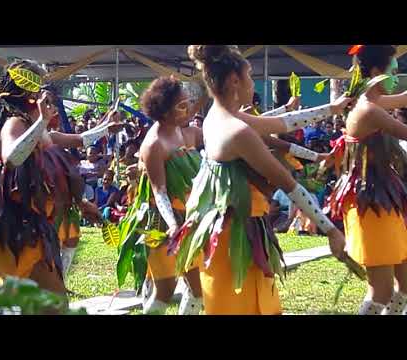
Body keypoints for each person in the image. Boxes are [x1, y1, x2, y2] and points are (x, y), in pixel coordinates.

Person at [170, 45, 350, 315]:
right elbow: (289, 185)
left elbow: (280, 122)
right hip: (234, 241)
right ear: (234, 80)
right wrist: (332, 231)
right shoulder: (237, 131)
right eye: (250, 74)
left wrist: (331, 108)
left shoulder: (215, 118)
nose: (252, 82)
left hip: (225, 233)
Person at [0, 60, 122, 303]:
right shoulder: (15, 123)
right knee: (51, 304)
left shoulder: (36, 128)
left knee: (44, 304)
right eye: (39, 87)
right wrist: (42, 120)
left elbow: (79, 139)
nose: (44, 94)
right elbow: (12, 157)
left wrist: (106, 128)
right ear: (28, 93)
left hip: (33, 225)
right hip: (16, 228)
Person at [326, 45, 407, 315]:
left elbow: (401, 98)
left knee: (405, 283)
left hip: (385, 199)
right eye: (393, 71)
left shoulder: (371, 103)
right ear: (375, 73)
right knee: (380, 291)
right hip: (371, 202)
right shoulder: (368, 110)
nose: (396, 77)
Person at [117, 76, 205, 315]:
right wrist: (173, 224)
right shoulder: (154, 144)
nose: (187, 108)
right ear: (165, 111)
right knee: (165, 291)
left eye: (187, 102)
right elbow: (160, 191)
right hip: (162, 222)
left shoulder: (184, 131)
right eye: (181, 105)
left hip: (189, 220)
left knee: (199, 289)